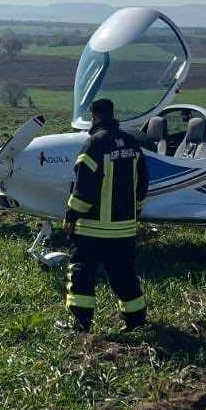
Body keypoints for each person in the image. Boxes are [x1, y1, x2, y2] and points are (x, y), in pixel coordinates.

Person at [61, 98, 150, 332]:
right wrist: (136, 210)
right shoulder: (132, 144)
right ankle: (136, 321)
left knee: (81, 275)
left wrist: (71, 214)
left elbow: (83, 187)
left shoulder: (94, 144)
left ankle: (80, 323)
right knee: (124, 275)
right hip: (124, 229)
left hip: (92, 229)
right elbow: (143, 181)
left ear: (95, 116)